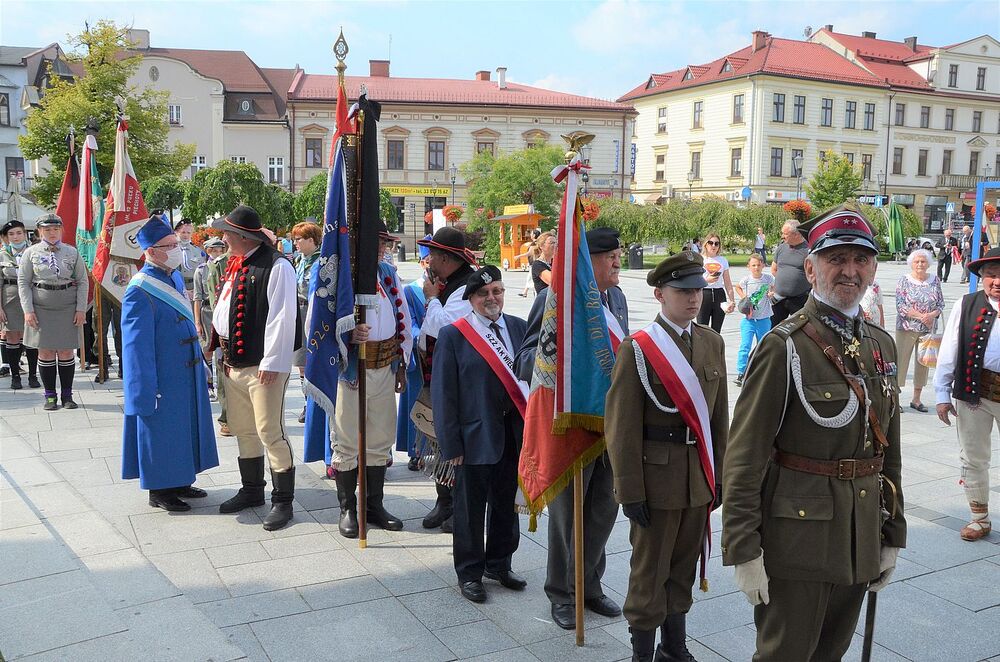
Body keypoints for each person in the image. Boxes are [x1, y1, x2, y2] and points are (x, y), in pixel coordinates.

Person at [722, 203, 906, 661]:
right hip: (797, 541)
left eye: (860, 259)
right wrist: (743, 548)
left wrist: (891, 533)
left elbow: (890, 450)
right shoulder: (785, 345)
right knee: (785, 654)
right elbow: (744, 456)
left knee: (830, 654)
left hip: (860, 531)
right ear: (810, 267)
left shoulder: (880, 344)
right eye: (835, 259)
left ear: (873, 268)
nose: (849, 271)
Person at [605, 251, 728, 662]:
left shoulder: (711, 342)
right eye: (683, 291)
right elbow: (621, 427)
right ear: (660, 294)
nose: (693, 299)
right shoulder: (638, 349)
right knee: (648, 572)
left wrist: (720, 476)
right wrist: (629, 490)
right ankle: (642, 654)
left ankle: (673, 648)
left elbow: (718, 418)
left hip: (697, 477)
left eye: (698, 291)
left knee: (683, 568)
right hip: (654, 482)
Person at [514, 227, 626, 630]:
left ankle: (589, 586)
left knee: (602, 513)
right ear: (586, 261)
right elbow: (525, 356)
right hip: (568, 424)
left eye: (618, 254)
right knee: (567, 519)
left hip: (610, 425)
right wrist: (559, 368)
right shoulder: (552, 298)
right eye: (609, 255)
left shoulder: (617, 298)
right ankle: (561, 593)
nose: (617, 261)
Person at [432, 265, 528, 603]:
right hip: (473, 437)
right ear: (471, 299)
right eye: (484, 293)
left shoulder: (518, 327)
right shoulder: (454, 335)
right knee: (470, 509)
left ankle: (499, 563)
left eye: (497, 291)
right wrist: (450, 443)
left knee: (507, 503)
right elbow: (444, 393)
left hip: (514, 435)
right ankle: (470, 572)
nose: (492, 298)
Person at [210, 206, 301, 531]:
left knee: (270, 431)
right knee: (243, 428)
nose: (223, 238)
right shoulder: (236, 264)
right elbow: (224, 309)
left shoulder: (277, 266)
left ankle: (283, 501)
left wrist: (273, 362)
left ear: (243, 237)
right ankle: (251, 491)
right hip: (234, 362)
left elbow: (282, 316)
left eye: (227, 234)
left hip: (264, 366)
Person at [120, 217, 219, 511]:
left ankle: (180, 480)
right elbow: (136, 346)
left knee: (182, 427)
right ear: (151, 251)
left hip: (185, 370)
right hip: (160, 374)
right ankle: (160, 490)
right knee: (161, 429)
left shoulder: (173, 276)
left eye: (177, 244)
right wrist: (143, 388)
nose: (178, 249)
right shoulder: (139, 290)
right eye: (170, 246)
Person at [331, 231, 411, 539]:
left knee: (379, 439)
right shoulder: (340, 273)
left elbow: (401, 315)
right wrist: (348, 334)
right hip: (352, 369)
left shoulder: (388, 273)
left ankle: (373, 504)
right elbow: (320, 319)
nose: (383, 248)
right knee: (348, 439)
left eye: (386, 242)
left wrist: (401, 363)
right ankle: (348, 507)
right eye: (377, 240)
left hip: (383, 364)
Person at [934, 247, 1000, 541]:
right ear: (982, 277)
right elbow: (949, 348)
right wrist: (941, 393)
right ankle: (979, 517)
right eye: (990, 275)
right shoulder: (967, 303)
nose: (996, 281)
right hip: (975, 392)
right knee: (973, 457)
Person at [417, 227, 478, 532]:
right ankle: (444, 500)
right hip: (443, 375)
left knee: (454, 441)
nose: (427, 262)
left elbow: (443, 328)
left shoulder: (467, 286)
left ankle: (457, 504)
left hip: (460, 380)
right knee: (438, 438)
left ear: (444, 258)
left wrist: (430, 299)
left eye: (431, 256)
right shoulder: (449, 282)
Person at [17, 214, 88, 410]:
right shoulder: (30, 253)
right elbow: (23, 282)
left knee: (66, 351)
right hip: (41, 307)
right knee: (46, 351)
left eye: (56, 229)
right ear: (40, 231)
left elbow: (83, 281)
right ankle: (49, 396)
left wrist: (81, 308)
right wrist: (28, 310)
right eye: (47, 229)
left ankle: (67, 395)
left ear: (61, 230)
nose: (52, 233)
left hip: (67, 306)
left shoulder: (72, 252)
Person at [396, 237, 431, 471]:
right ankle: (416, 451)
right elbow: (409, 324)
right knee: (416, 401)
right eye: (428, 261)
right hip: (420, 356)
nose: (432, 265)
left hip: (440, 357)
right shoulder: (411, 290)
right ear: (421, 263)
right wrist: (424, 339)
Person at [895, 249, 944, 413]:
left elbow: (940, 304)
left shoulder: (935, 280)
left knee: (923, 363)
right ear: (911, 263)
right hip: (906, 327)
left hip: (928, 329)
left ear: (928, 263)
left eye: (923, 261)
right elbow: (901, 306)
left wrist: (931, 315)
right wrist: (922, 316)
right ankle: (895, 398)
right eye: (917, 261)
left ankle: (916, 399)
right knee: (900, 362)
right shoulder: (904, 280)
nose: (920, 264)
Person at [1, 221, 39, 389]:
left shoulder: (34, 252)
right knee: (12, 337)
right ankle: (15, 376)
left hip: (32, 298)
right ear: (6, 238)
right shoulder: (2, 254)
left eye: (18, 233)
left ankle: (32, 375)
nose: (15, 237)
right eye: (11, 234)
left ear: (25, 234)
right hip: (10, 298)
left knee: (31, 338)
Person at [291, 221, 323, 423]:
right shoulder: (298, 261)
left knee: (312, 359)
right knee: (300, 361)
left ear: (311, 240)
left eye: (298, 239)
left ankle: (314, 404)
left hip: (313, 310)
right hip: (299, 309)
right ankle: (307, 402)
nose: (295, 243)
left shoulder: (322, 262)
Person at [204, 237, 232, 436]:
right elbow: (217, 303)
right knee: (224, 374)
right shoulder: (220, 265)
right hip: (227, 330)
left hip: (253, 331)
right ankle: (227, 418)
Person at [193, 237, 226, 400]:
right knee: (207, 349)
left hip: (222, 311)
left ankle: (222, 385)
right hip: (207, 311)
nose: (217, 253)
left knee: (223, 350)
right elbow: (197, 298)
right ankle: (209, 384)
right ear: (207, 251)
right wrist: (197, 322)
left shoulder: (225, 267)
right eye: (213, 250)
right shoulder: (201, 270)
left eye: (220, 250)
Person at [733, 253, 774, 386]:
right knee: (745, 346)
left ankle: (762, 371)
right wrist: (744, 297)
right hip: (749, 320)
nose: (756, 267)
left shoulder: (768, 279)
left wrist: (771, 293)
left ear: (763, 265)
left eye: (758, 265)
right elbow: (737, 287)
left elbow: (775, 287)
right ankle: (741, 372)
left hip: (764, 318)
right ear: (748, 267)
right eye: (753, 265)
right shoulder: (746, 280)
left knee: (763, 346)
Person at [769, 219, 811, 326]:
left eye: (785, 234)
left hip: (800, 299)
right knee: (772, 330)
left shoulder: (809, 250)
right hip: (778, 299)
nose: (782, 236)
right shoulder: (781, 248)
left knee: (801, 330)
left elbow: (815, 274)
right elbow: (774, 269)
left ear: (796, 234)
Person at [696, 231, 735, 333]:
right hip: (704, 293)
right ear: (706, 244)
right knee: (701, 328)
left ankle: (715, 349)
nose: (713, 246)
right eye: (711, 243)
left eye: (716, 243)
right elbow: (694, 280)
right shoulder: (700, 259)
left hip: (719, 294)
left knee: (716, 330)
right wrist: (706, 280)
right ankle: (701, 349)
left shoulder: (722, 260)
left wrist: (732, 300)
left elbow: (728, 282)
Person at [174, 219, 208, 301]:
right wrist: (183, 290)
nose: (186, 235)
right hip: (178, 288)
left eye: (188, 233)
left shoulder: (198, 251)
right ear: (176, 232)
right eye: (183, 232)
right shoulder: (173, 250)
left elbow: (203, 271)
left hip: (196, 288)